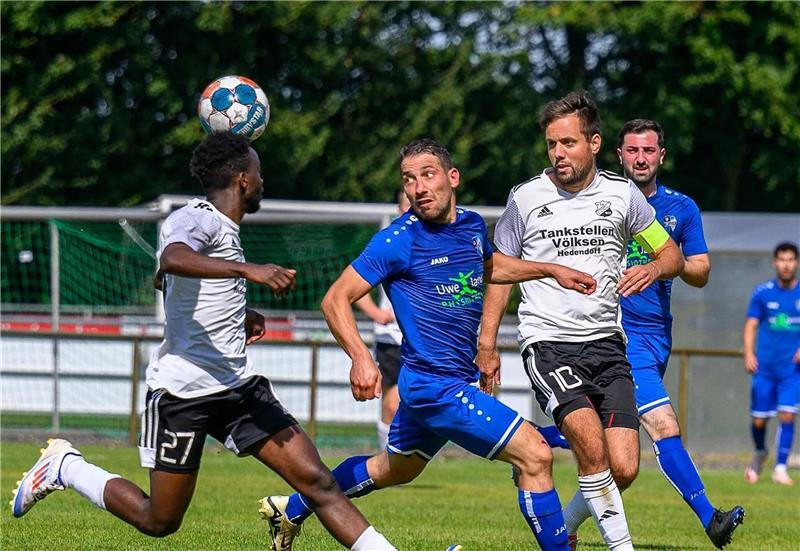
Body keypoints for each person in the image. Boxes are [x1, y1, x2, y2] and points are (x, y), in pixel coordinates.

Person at [11, 132, 397, 551]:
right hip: (183, 394)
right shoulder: (197, 216)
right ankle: (66, 467)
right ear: (242, 180)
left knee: (318, 482)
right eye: (258, 172)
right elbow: (172, 259)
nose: (263, 180)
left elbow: (170, 282)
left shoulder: (225, 230)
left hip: (239, 389)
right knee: (159, 520)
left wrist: (238, 312)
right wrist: (249, 271)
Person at [259, 137, 599, 551]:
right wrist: (361, 358)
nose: (418, 187)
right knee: (536, 455)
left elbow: (490, 266)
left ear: (452, 177)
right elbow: (335, 299)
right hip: (433, 387)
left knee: (393, 469)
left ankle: (290, 509)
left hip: (448, 381)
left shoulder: (471, 226)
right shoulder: (397, 240)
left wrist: (550, 269)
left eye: (427, 174)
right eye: (409, 179)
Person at [478, 91, 685, 551]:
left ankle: (568, 527)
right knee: (592, 451)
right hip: (549, 343)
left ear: (593, 143)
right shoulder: (526, 198)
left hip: (608, 344)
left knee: (623, 466)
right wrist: (487, 343)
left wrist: (654, 268)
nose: (558, 153)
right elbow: (499, 270)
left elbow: (671, 253)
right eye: (552, 144)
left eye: (568, 143)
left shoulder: (622, 194)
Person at [558, 118, 745, 549]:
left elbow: (701, 271)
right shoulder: (596, 201)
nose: (640, 158)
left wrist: (663, 264)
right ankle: (711, 518)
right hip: (616, 335)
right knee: (662, 424)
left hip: (657, 336)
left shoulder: (681, 208)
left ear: (661, 155)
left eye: (647, 151)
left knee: (617, 462)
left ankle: (558, 516)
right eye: (632, 150)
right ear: (618, 155)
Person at [354, 191, 410, 450]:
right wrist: (376, 313)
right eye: (407, 204)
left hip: (424, 339)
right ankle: (386, 455)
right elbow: (352, 288)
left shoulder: (437, 240)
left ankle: (403, 454)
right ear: (399, 209)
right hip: (392, 338)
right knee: (393, 400)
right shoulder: (389, 242)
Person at [744, 241, 800, 486]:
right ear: (775, 263)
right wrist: (749, 353)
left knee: (787, 415)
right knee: (759, 420)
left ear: (796, 263)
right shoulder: (762, 293)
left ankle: (780, 467)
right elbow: (751, 324)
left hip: (792, 371)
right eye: (782, 260)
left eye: (791, 260)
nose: (786, 265)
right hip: (765, 369)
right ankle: (759, 452)